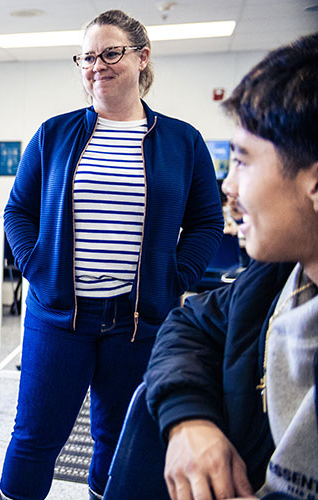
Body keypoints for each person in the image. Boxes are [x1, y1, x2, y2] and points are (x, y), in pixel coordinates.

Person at [0, 10, 224, 500]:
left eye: (111, 53)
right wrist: (37, 267)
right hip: (59, 315)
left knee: (119, 441)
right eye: (87, 57)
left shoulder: (183, 141)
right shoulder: (54, 134)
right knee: (34, 438)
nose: (97, 65)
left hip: (138, 321)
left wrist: (175, 277)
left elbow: (208, 221)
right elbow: (17, 210)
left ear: (142, 58)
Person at [145, 33, 318, 500]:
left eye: (242, 161)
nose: (229, 185)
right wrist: (189, 419)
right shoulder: (275, 279)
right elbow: (189, 324)